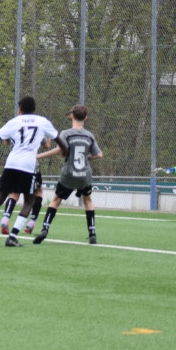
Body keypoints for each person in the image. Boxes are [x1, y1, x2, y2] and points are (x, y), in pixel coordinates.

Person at [0, 96, 64, 247]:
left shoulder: (14, 122)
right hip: (28, 166)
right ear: (34, 109)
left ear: (20, 109)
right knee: (29, 201)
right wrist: (66, 151)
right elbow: (58, 140)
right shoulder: (42, 121)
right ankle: (12, 236)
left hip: (11, 164)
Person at [33, 104, 103, 245]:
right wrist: (87, 158)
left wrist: (39, 156)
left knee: (56, 200)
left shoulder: (66, 134)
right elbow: (99, 155)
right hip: (84, 175)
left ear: (71, 116)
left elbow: (59, 150)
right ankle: (92, 234)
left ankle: (45, 228)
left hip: (69, 174)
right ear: (86, 118)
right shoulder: (89, 135)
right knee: (88, 200)